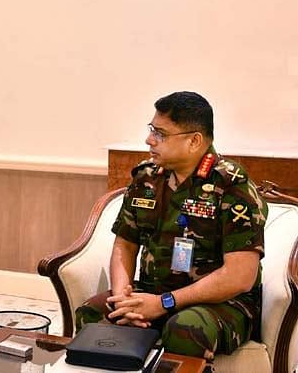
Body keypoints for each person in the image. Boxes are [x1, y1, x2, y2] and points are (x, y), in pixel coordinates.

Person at [75, 91, 267, 362]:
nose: (149, 140)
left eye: (161, 134)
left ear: (194, 141)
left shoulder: (231, 185)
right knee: (93, 313)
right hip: (153, 291)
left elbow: (240, 276)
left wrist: (164, 303)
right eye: (152, 130)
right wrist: (123, 299)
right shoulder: (147, 177)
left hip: (221, 303)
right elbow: (125, 244)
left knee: (184, 328)